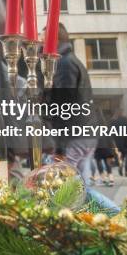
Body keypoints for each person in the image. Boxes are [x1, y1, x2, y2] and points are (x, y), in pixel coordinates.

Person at [40, 23, 96, 186]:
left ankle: (108, 210)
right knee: (79, 184)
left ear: (53, 40)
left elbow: (65, 108)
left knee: (67, 186)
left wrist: (60, 148)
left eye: (43, 39)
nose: (40, 43)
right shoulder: (72, 61)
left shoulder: (65, 64)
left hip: (73, 137)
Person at [112, 108, 127, 177]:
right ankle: (126, 171)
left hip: (119, 141)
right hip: (126, 141)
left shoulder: (115, 121)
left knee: (121, 156)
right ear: (123, 113)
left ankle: (120, 168)